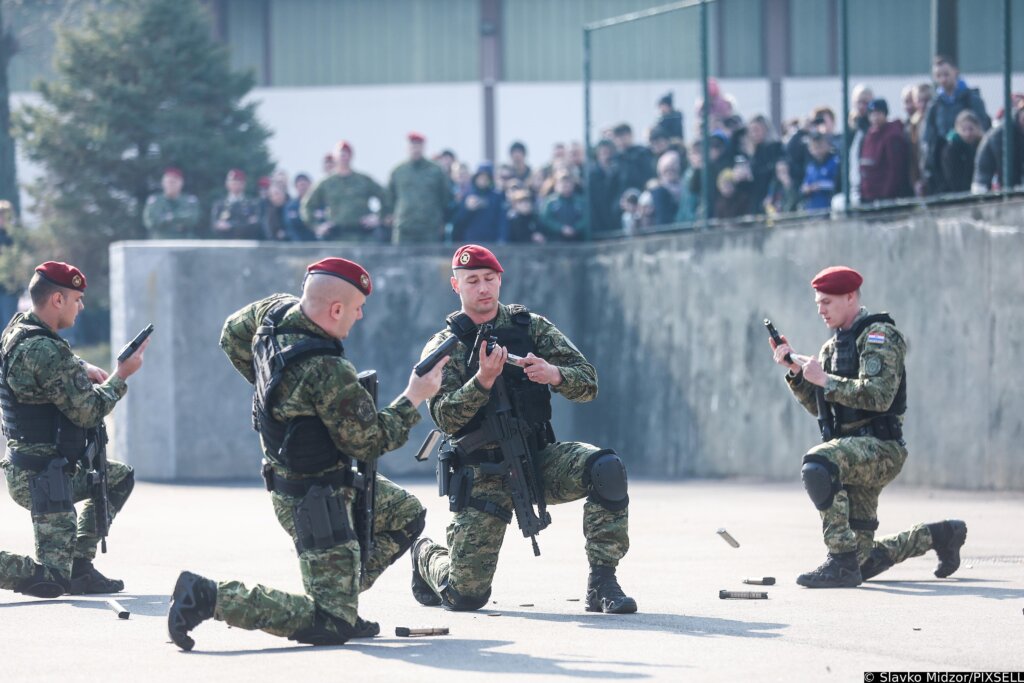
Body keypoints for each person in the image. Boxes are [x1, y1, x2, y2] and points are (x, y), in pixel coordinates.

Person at [167, 257, 446, 651]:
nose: (360, 315)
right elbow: (369, 442)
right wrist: (415, 395)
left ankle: (339, 594)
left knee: (406, 514)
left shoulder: (274, 311)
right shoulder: (327, 370)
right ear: (335, 310)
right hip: (316, 498)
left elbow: (231, 334)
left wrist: (270, 390)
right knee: (332, 626)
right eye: (356, 308)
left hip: (310, 477)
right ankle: (210, 597)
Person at [411, 245, 635, 614]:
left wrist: (554, 374)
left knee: (606, 468)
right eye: (472, 281)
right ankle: (426, 554)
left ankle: (602, 583)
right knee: (465, 596)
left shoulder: (529, 327)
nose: (482, 288)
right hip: (482, 473)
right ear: (456, 285)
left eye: (488, 279)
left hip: (537, 458)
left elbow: (589, 383)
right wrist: (482, 381)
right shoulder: (444, 346)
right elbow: (444, 417)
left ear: (500, 279)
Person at [769, 265, 967, 588]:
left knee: (817, 465)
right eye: (817, 302)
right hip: (853, 453)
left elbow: (880, 396)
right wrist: (796, 373)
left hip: (882, 449)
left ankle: (839, 561)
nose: (820, 309)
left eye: (827, 302)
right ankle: (941, 535)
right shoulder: (831, 348)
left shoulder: (880, 336)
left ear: (850, 297)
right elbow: (824, 408)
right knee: (864, 560)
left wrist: (826, 379)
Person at [0, 262, 147, 598]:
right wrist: (120, 375)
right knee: (51, 580)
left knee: (117, 478)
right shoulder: (45, 350)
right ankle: (69, 571)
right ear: (56, 300)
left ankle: (80, 566)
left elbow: (45, 361)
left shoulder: (19, 329)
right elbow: (88, 411)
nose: (81, 307)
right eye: (77, 299)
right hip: (43, 479)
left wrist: (80, 364)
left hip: (40, 468)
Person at [921, 55, 990, 194]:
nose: (943, 79)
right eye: (938, 75)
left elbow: (984, 130)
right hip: (944, 173)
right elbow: (928, 140)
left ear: (956, 72)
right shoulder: (934, 106)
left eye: (946, 74)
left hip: (970, 165)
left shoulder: (972, 100)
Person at [301, 141, 389, 243]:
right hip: (336, 237)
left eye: (346, 154)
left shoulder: (363, 180)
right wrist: (317, 226)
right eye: (340, 154)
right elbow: (307, 206)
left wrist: (378, 217)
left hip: (362, 236)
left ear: (351, 156)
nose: (343, 157)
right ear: (335, 157)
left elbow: (386, 198)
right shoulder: (326, 183)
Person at [386, 132, 452, 244]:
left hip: (429, 228)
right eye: (412, 146)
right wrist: (390, 215)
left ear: (423, 147)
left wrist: (442, 220)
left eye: (418, 146)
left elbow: (445, 197)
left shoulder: (435, 171)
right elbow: (390, 197)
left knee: (430, 260)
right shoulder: (398, 171)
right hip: (404, 228)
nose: (415, 149)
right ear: (407, 148)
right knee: (400, 260)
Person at [858, 99, 911, 203]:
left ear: (885, 114)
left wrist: (887, 194)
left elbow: (895, 168)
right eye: (872, 114)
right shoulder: (868, 136)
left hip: (884, 198)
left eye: (878, 113)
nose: (875, 118)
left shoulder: (892, 136)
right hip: (869, 195)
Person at [452, 165, 507, 243]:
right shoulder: (468, 196)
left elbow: (502, 220)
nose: (483, 180)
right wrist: (467, 209)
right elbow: (459, 222)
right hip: (471, 240)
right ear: (476, 178)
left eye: (486, 178)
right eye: (480, 177)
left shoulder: (497, 197)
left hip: (491, 241)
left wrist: (502, 239)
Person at [142, 167, 200, 239]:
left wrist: (169, 218)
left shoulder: (189, 201)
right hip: (160, 243)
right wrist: (178, 220)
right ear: (163, 183)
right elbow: (150, 222)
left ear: (181, 183)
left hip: (184, 243)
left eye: (174, 182)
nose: (171, 185)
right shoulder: (155, 201)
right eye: (168, 182)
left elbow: (192, 220)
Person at [940, 110, 983, 193]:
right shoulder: (951, 149)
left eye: (971, 129)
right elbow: (953, 177)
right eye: (964, 129)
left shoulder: (982, 145)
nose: (968, 133)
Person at [210, 169, 262, 239]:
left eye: (239, 183)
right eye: (233, 183)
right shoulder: (220, 204)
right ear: (227, 184)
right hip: (224, 245)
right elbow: (215, 226)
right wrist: (244, 224)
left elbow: (254, 226)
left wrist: (230, 226)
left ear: (244, 185)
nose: (236, 186)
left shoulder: (252, 204)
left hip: (246, 244)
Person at [541, 172, 588, 242]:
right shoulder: (550, 202)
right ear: (556, 185)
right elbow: (546, 219)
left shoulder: (581, 201)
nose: (565, 185)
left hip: (578, 240)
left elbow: (586, 218)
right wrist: (561, 228)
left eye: (568, 183)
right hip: (555, 242)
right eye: (562, 183)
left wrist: (575, 228)